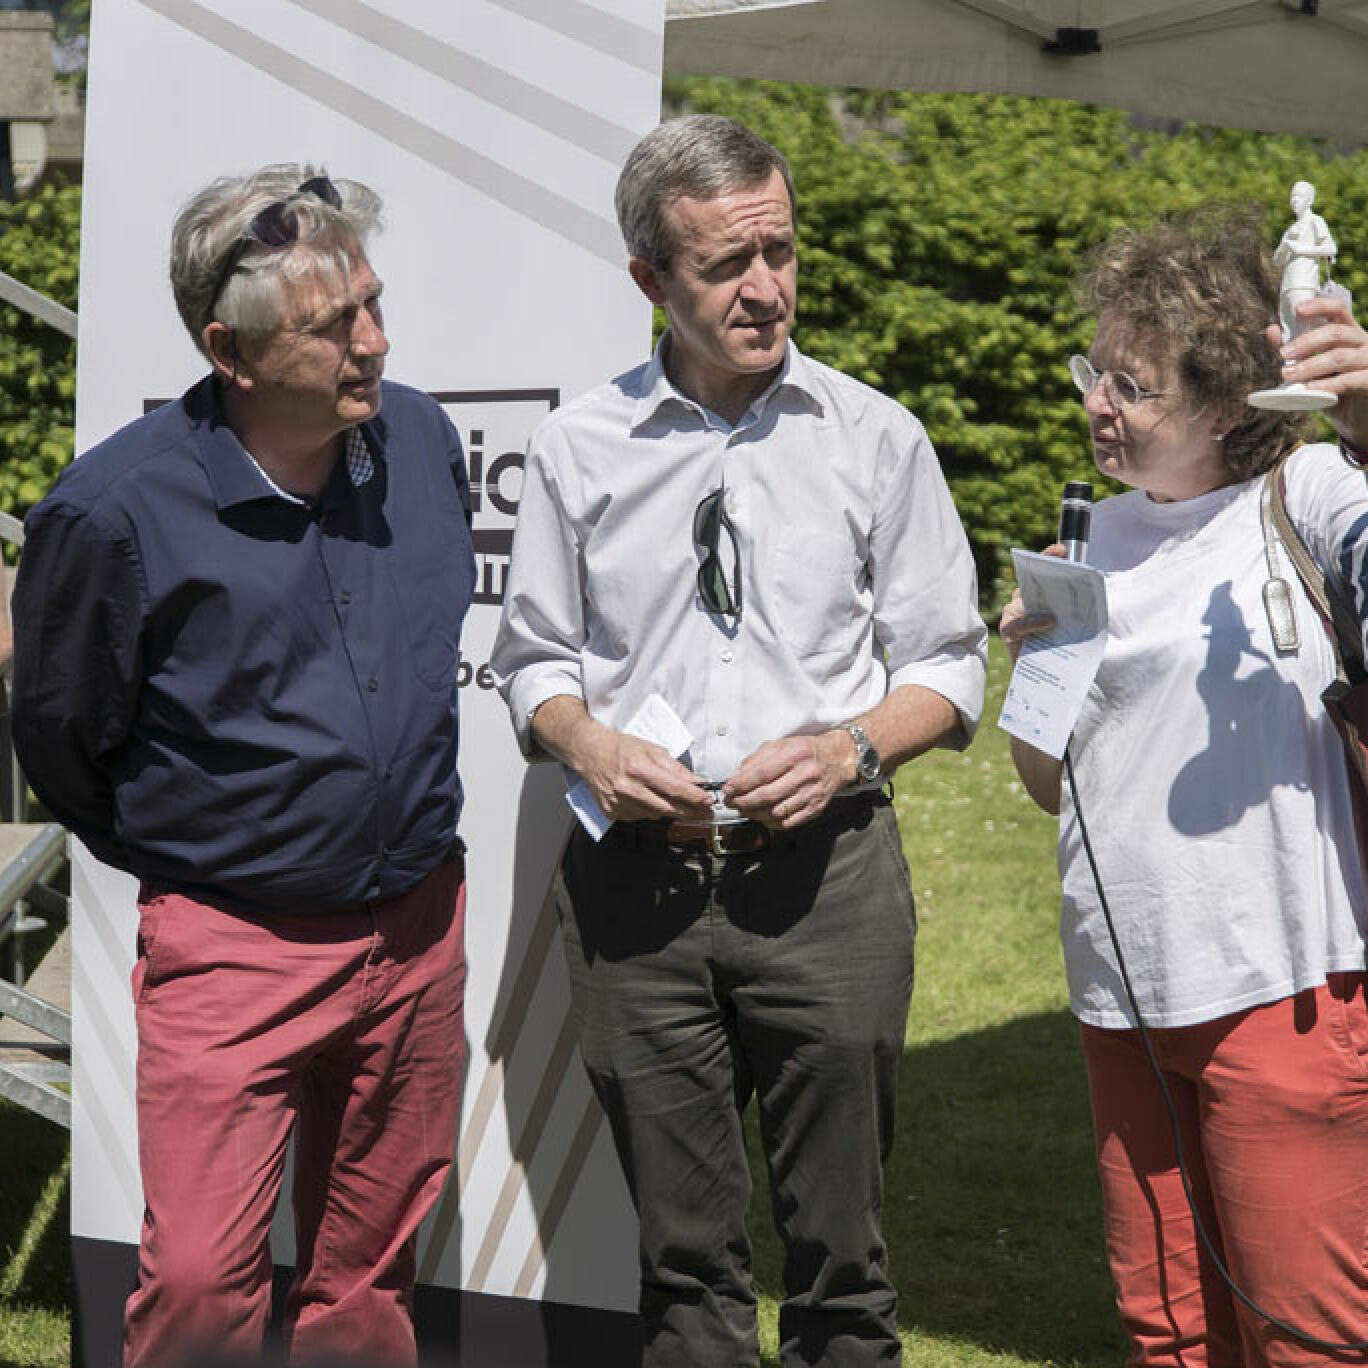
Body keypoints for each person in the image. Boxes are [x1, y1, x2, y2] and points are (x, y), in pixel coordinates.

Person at [491, 114, 986, 1367]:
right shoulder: (578, 447)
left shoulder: (876, 437)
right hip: (638, 897)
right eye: (726, 265)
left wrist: (850, 750)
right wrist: (588, 747)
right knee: (683, 1273)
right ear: (651, 279)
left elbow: (948, 661)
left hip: (828, 885)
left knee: (845, 1269)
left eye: (782, 251)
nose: (767, 288)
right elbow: (533, 660)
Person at [12, 165, 476, 1368]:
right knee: (200, 1292)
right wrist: (215, 855)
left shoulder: (421, 438)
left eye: (371, 304)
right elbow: (61, 737)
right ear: (232, 351)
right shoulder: (111, 513)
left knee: (366, 1280)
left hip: (419, 928)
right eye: (333, 325)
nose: (376, 343)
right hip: (232, 946)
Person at [1000, 205, 1368, 1368]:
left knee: (1304, 1336)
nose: (1098, 404)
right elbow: (1044, 783)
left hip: (1282, 989)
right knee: (1169, 1332)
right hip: (1122, 993)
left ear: (1224, 404)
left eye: (1134, 385)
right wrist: (1042, 669)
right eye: (1094, 373)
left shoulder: (1307, 492)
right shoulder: (1090, 536)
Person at [1272, 180, 1337, 345]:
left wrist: (1300, 248)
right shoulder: (1290, 229)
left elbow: (1330, 248)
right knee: (1288, 329)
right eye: (1293, 196)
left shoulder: (1315, 221)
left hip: (1304, 282)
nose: (1295, 200)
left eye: (1299, 196)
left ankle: (1304, 356)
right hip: (1287, 285)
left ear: (1310, 200)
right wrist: (1285, 245)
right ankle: (1291, 357)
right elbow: (1277, 261)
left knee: (1303, 324)